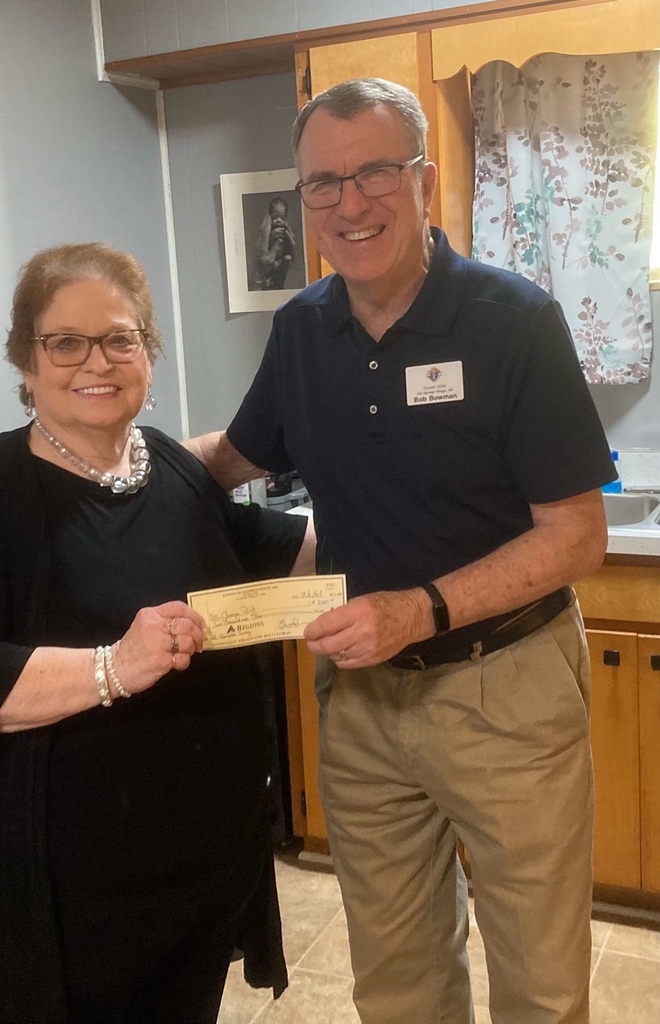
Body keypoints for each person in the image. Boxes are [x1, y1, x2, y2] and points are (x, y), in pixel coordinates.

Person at [185, 79, 616, 1024]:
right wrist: (111, 464)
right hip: (365, 706)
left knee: (541, 984)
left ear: (424, 180)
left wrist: (418, 608)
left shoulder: (514, 320)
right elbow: (234, 456)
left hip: (506, 688)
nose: (349, 203)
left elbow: (579, 532)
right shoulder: (303, 328)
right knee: (395, 985)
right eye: (323, 183)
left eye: (375, 172)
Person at [0, 243, 314, 1024]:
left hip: (200, 866)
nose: (96, 362)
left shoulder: (176, 472)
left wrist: (385, 487)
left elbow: (272, 552)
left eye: (119, 338)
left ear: (149, 351)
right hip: (68, 890)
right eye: (65, 342)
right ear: (27, 358)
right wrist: (113, 666)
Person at [254, 197, 297, 290]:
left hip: (281, 261)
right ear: (270, 217)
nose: (279, 221)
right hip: (270, 262)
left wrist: (287, 238)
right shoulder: (267, 231)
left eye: (282, 218)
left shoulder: (285, 229)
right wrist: (273, 238)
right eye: (275, 217)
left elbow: (290, 246)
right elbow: (265, 246)